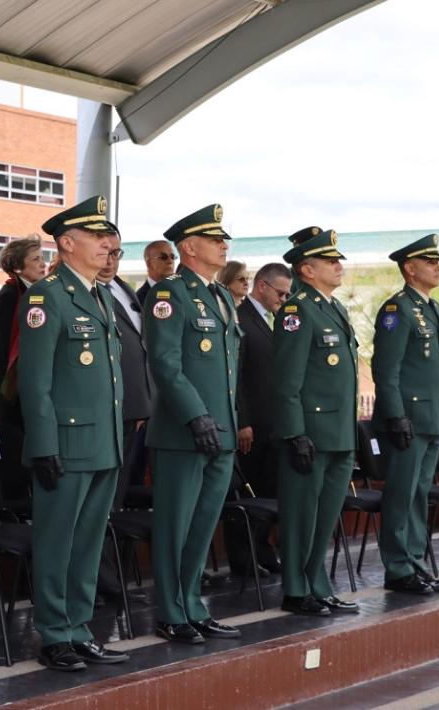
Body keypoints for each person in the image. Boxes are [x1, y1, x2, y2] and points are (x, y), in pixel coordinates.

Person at [18, 195, 129, 671]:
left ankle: (79, 628)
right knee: (57, 541)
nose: (108, 245)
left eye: (109, 238)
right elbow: (34, 382)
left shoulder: (99, 294)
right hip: (65, 443)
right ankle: (54, 633)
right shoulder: (47, 296)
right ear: (66, 243)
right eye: (97, 238)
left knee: (88, 542)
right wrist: (43, 445)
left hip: (103, 440)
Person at [144, 204, 242, 644]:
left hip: (220, 430)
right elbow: (165, 364)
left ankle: (193, 604)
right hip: (185, 432)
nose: (224, 245)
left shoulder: (219, 296)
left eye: (224, 239)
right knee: (175, 525)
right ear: (189, 247)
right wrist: (195, 414)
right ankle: (170, 610)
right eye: (214, 238)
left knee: (203, 525)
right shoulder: (170, 294)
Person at [272, 227, 360, 616]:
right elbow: (286, 381)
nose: (338, 266)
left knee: (325, 517)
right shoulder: (297, 311)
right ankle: (295, 588)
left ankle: (317, 583)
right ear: (306, 269)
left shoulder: (334, 308)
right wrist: (294, 432)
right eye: (330, 260)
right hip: (310, 431)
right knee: (302, 514)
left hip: (339, 431)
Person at [371, 234, 439, 595]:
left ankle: (415, 561)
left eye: (437, 262)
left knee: (420, 492)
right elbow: (386, 370)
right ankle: (398, 567)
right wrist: (395, 415)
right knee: (402, 494)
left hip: (431, 417)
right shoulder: (396, 310)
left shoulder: (433, 309)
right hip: (407, 419)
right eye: (430, 262)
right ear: (410, 268)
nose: (437, 267)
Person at [95, 229, 153, 599]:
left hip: (132, 413)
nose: (111, 260)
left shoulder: (122, 289)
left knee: (113, 503)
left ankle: (110, 580)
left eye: (117, 252)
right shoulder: (70, 293)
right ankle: (100, 585)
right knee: (95, 508)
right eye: (105, 251)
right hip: (99, 416)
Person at [224, 261, 291, 578]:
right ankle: (241, 558)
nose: (284, 299)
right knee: (248, 496)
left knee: (269, 492)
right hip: (251, 425)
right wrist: (242, 421)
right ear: (261, 286)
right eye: (280, 292)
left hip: (274, 424)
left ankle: (262, 550)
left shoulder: (275, 320)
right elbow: (236, 377)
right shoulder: (240, 317)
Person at [0, 236, 46, 500]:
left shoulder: (36, 294)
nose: (43, 264)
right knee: (16, 466)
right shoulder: (9, 297)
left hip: (27, 393)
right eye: (35, 259)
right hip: (11, 395)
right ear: (18, 267)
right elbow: (5, 354)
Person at [136, 239, 177, 305]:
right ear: (149, 263)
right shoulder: (138, 300)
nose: (170, 261)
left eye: (172, 257)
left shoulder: (182, 292)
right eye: (163, 257)